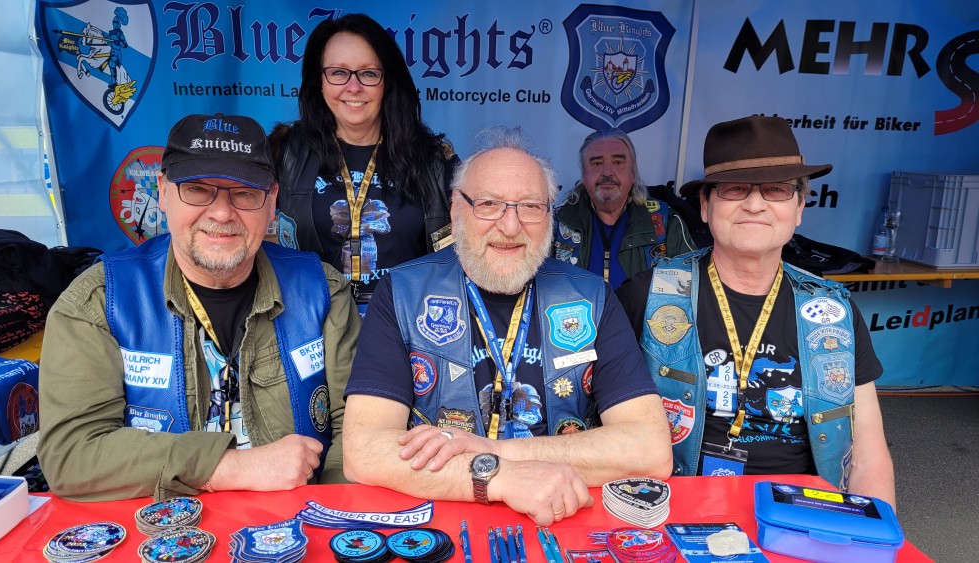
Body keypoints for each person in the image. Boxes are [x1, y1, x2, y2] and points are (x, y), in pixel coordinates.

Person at [343, 127, 672, 526]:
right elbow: (363, 452)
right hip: (441, 526)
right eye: (489, 204)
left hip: (561, 518)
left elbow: (650, 450)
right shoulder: (403, 292)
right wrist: (497, 478)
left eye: (530, 206)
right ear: (455, 209)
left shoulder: (591, 297)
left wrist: (494, 454)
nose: (511, 226)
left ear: (550, 216)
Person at [37, 113, 360, 501]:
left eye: (244, 193)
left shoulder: (323, 291)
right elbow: (71, 454)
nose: (222, 213)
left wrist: (328, 515)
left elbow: (356, 428)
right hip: (160, 529)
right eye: (197, 189)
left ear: (272, 201)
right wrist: (231, 468)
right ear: (162, 191)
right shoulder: (97, 302)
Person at [617, 115, 896, 507]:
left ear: (800, 207)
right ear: (705, 206)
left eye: (776, 190)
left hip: (804, 508)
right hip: (675, 504)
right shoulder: (646, 296)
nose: (754, 204)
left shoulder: (834, 310)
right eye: (735, 189)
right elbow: (605, 424)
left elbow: (867, 451)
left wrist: (875, 532)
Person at [273, 13, 457, 315]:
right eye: (338, 72)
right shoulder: (287, 153)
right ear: (319, 82)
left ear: (387, 82)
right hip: (315, 323)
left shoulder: (433, 159)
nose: (353, 86)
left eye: (369, 74)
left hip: (404, 323)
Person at [553, 129, 695, 289]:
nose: (607, 172)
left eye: (618, 162)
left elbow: (691, 287)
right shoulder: (558, 222)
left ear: (633, 173)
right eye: (597, 163)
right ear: (584, 175)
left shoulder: (666, 221)